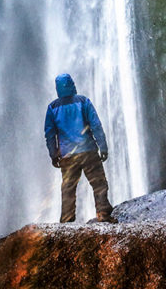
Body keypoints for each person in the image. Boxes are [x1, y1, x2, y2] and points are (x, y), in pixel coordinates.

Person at [44, 73, 115, 223]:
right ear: (72, 84)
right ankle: (103, 213)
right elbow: (96, 125)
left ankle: (67, 220)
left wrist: (53, 154)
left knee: (68, 188)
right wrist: (102, 146)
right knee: (98, 183)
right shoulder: (83, 101)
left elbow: (50, 134)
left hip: (67, 155)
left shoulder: (52, 107)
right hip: (88, 150)